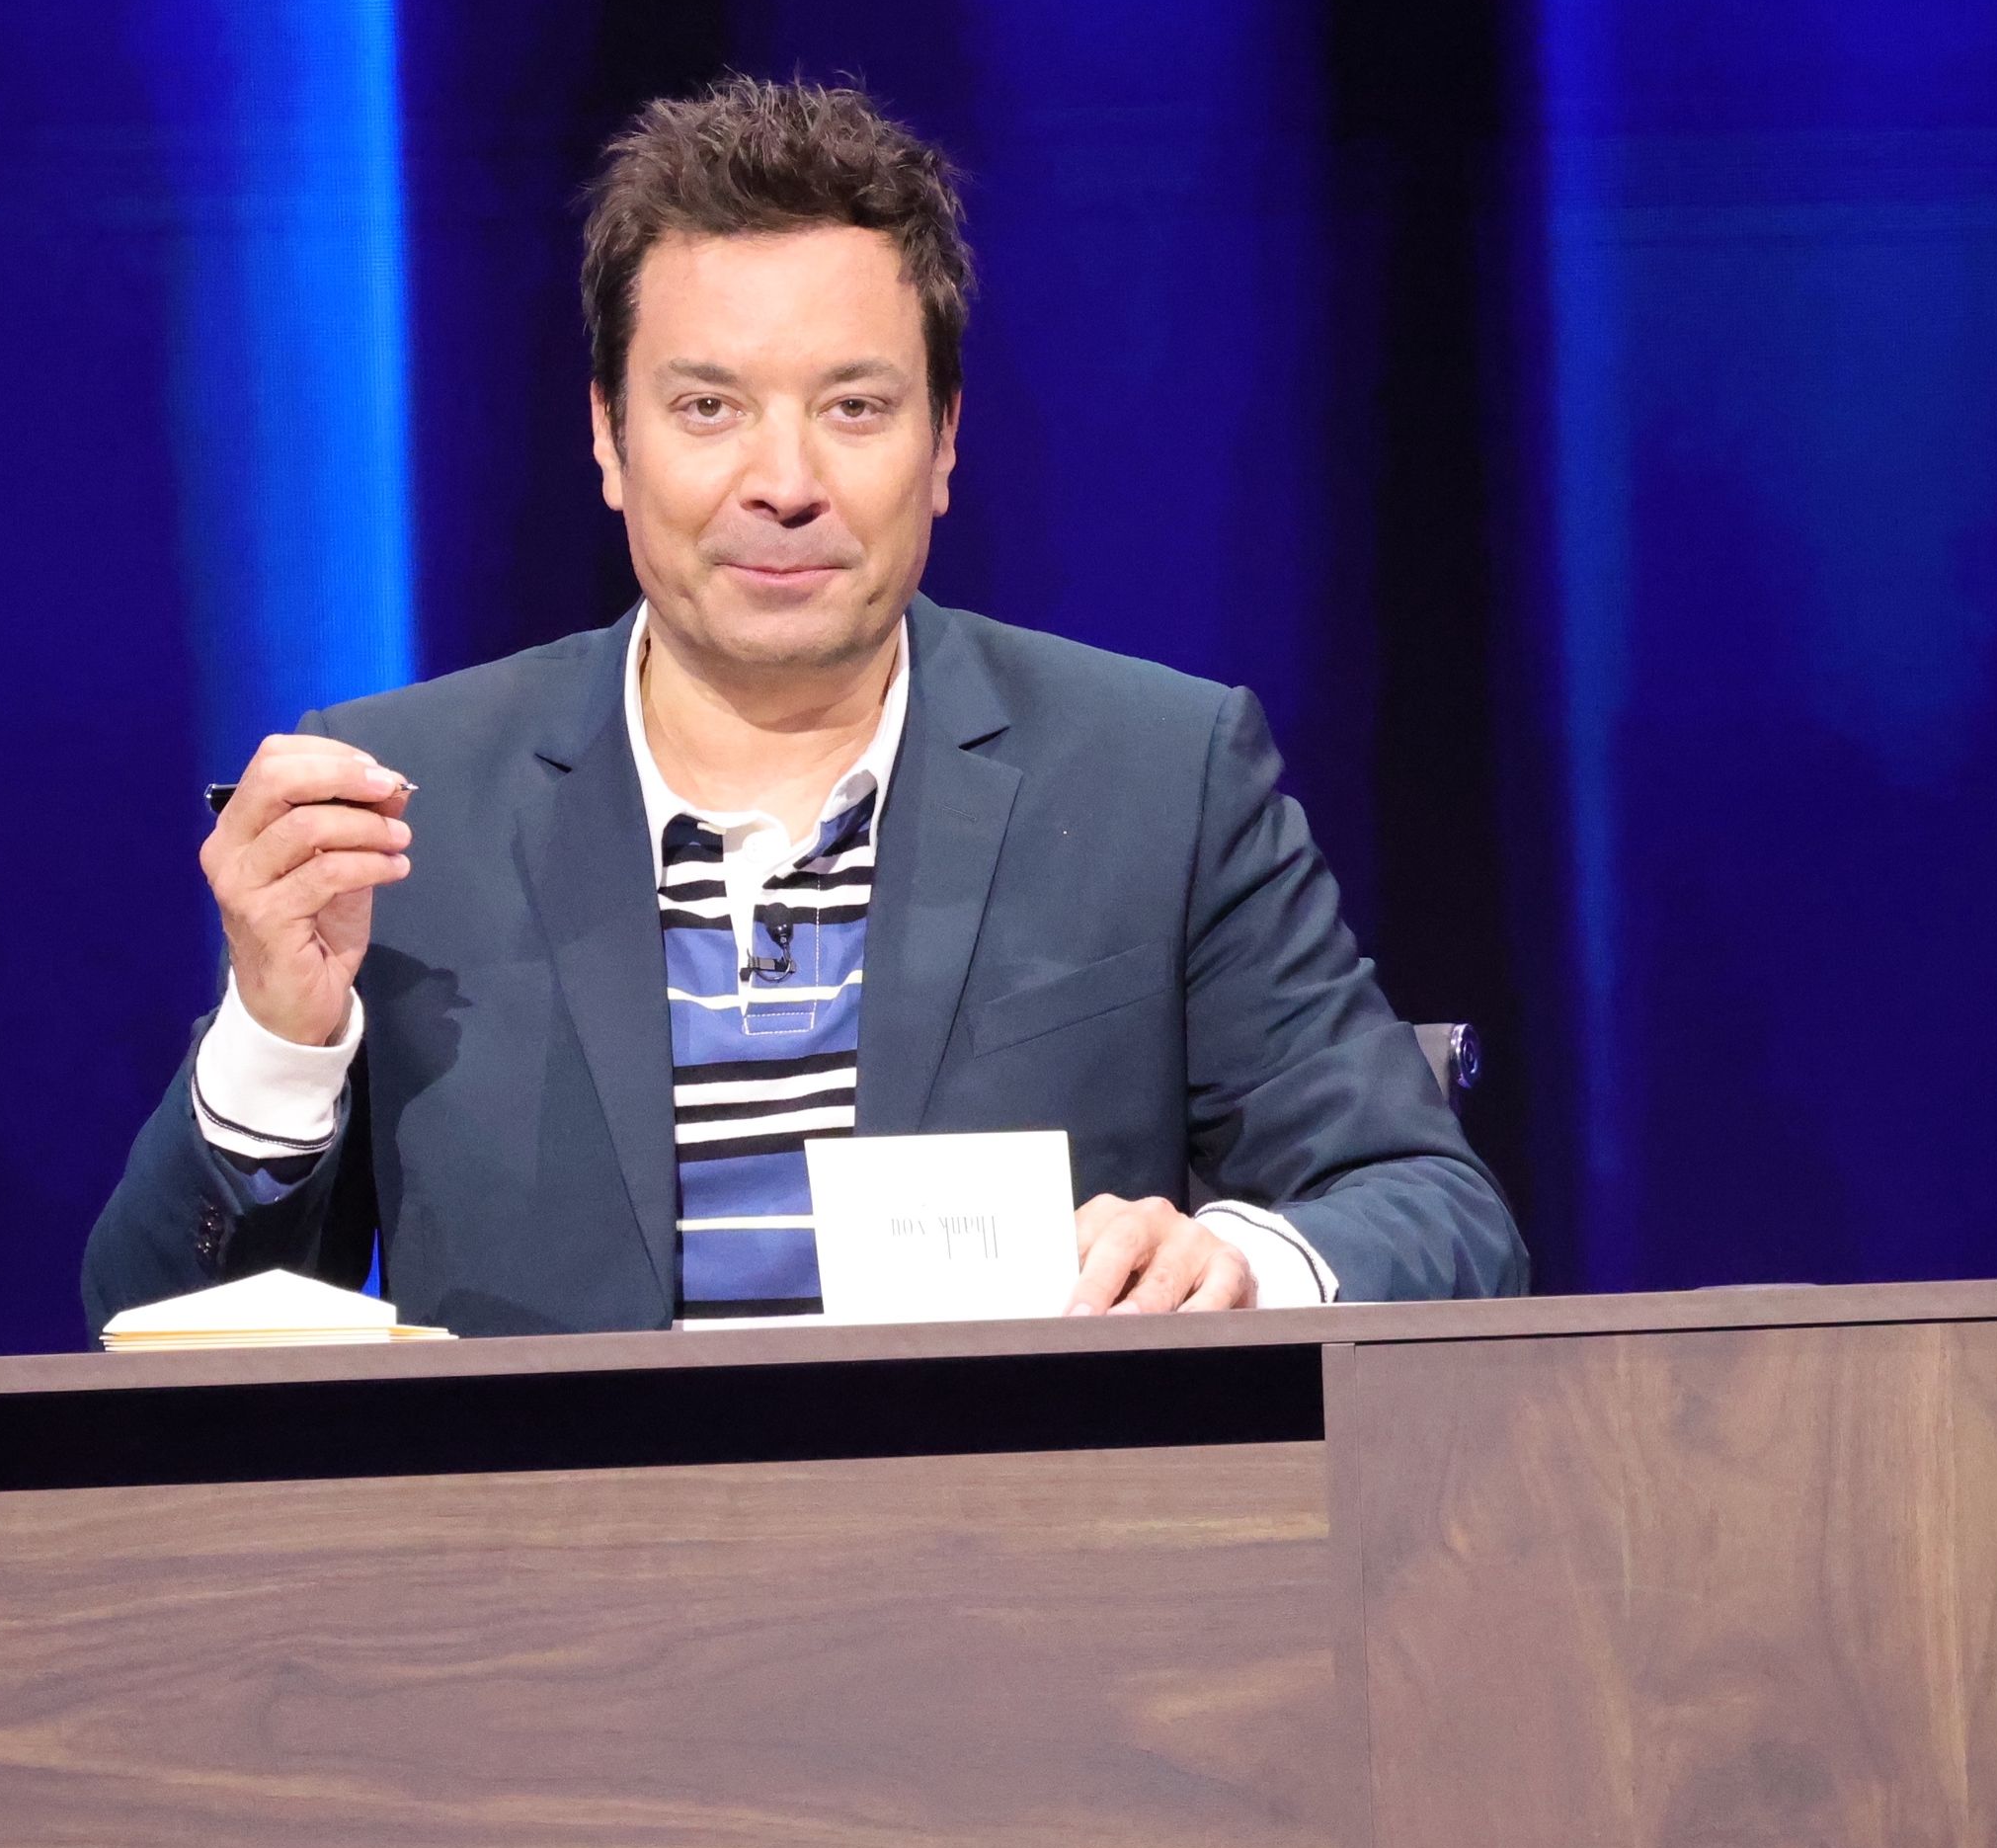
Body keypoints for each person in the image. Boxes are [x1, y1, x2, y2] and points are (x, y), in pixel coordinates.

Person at [86, 76, 1523, 1338]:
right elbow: (154, 1332)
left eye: (854, 407)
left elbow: (1436, 1215)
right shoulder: (405, 799)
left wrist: (1235, 1263)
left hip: (1027, 1604)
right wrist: (278, 1040)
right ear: (608, 437)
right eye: (710, 408)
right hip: (540, 1620)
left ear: (946, 441)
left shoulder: (1162, 775)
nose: (785, 480)